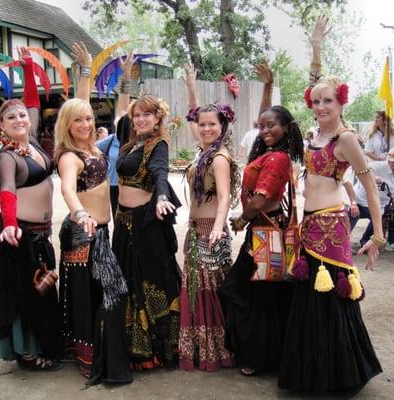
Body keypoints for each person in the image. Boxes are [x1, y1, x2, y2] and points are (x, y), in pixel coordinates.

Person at [278, 16, 383, 394]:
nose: (321, 105)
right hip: (309, 223)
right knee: (310, 299)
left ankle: (339, 374)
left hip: (333, 224)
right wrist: (317, 50)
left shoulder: (346, 139)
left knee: (332, 296)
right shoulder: (315, 132)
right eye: (317, 101)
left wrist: (378, 237)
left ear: (341, 102)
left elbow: (370, 187)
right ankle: (309, 371)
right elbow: (313, 86)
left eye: (329, 101)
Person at [219, 62, 304, 377]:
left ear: (286, 128)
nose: (266, 130)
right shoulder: (269, 150)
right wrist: (267, 85)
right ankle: (262, 354)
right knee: (256, 294)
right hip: (263, 231)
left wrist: (242, 219)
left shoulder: (278, 157)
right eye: (263, 126)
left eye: (272, 127)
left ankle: (258, 356)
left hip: (263, 232)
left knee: (250, 293)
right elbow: (266, 117)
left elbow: (262, 198)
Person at [55, 42, 132, 385]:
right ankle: (96, 360)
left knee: (102, 296)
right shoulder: (70, 155)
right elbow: (68, 188)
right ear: (67, 125)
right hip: (85, 233)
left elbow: (82, 105)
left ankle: (101, 355)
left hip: (100, 232)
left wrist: (86, 71)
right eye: (78, 121)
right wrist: (79, 213)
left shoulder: (92, 146)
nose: (85, 123)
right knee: (105, 296)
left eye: (88, 119)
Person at [0, 47, 61, 370]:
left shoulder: (31, 142)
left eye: (21, 115)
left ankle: (45, 346)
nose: (20, 118)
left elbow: (32, 103)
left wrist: (30, 69)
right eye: (11, 117)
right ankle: (28, 354)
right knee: (26, 295)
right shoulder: (7, 157)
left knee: (44, 290)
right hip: (18, 236)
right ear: (2, 126)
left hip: (41, 235)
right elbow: (7, 190)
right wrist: (9, 223)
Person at [112, 94, 181, 370]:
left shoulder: (158, 144)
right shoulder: (131, 143)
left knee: (151, 282)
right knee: (127, 283)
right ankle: (131, 345)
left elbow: (160, 172)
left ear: (157, 119)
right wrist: (126, 83)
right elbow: (120, 114)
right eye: (137, 115)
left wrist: (162, 197)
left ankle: (158, 347)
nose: (140, 119)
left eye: (147, 115)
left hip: (144, 225)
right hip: (123, 223)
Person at [178, 65, 240, 372]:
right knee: (196, 291)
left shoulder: (218, 157)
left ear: (222, 126)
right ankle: (203, 351)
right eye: (202, 124)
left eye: (211, 124)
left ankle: (220, 351)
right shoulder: (204, 150)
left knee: (211, 292)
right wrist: (192, 88)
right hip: (195, 231)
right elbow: (192, 115)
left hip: (210, 233)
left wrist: (216, 228)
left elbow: (225, 196)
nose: (205, 128)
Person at [348, 147, 394, 252]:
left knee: (383, 215)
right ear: (389, 160)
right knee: (355, 214)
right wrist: (372, 178)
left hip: (381, 204)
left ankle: (368, 241)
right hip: (361, 201)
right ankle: (344, 242)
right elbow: (361, 172)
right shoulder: (376, 166)